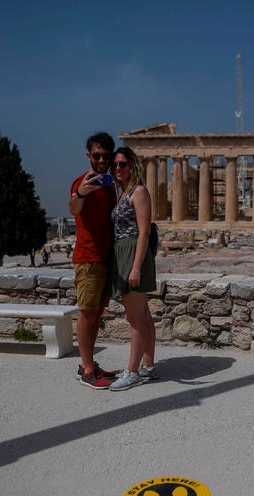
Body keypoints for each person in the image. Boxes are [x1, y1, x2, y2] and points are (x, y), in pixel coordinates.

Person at [69, 132, 119, 389]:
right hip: (88, 258)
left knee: (97, 313)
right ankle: (87, 370)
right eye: (96, 155)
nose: (101, 160)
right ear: (88, 155)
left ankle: (87, 364)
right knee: (87, 313)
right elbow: (73, 208)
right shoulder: (82, 183)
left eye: (105, 156)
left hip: (105, 258)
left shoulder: (110, 184)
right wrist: (81, 193)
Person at [108, 146, 158, 391]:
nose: (118, 168)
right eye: (115, 164)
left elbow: (144, 231)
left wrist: (136, 266)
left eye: (123, 164)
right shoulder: (122, 193)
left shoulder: (138, 191)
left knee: (135, 319)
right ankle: (147, 365)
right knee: (144, 315)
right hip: (123, 253)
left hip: (133, 255)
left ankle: (132, 372)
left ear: (132, 166)